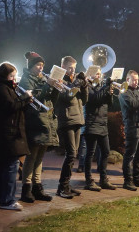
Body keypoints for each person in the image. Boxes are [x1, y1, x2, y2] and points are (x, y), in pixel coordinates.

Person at [0, 62, 32, 211]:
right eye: (13, 75)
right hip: (8, 134)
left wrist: (23, 101)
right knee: (10, 168)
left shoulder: (0, 87)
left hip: (5, 133)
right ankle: (8, 200)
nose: (15, 78)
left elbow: (14, 106)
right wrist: (24, 98)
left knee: (3, 169)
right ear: (7, 75)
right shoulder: (1, 88)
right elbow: (10, 107)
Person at [18, 51, 59, 203]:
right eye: (38, 65)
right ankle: (26, 188)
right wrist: (47, 86)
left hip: (47, 120)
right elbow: (34, 99)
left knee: (40, 157)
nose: (41, 68)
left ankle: (37, 186)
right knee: (31, 157)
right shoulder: (26, 80)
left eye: (42, 65)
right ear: (31, 67)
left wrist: (55, 87)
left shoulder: (44, 79)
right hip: (35, 121)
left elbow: (52, 100)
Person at [54, 56, 87, 199]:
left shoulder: (74, 81)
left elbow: (84, 100)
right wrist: (76, 83)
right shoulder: (59, 79)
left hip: (77, 119)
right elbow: (67, 96)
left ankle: (66, 185)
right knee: (71, 154)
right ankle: (62, 187)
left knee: (73, 155)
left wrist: (84, 85)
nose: (72, 70)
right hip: (66, 120)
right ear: (63, 66)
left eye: (74, 67)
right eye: (70, 67)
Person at [82, 66, 116, 191]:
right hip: (91, 124)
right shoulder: (87, 86)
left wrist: (110, 93)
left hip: (102, 124)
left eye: (99, 74)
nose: (99, 75)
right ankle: (89, 180)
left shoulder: (101, 86)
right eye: (96, 74)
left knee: (106, 151)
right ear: (90, 75)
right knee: (90, 153)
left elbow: (109, 104)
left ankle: (103, 179)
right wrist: (106, 87)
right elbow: (95, 98)